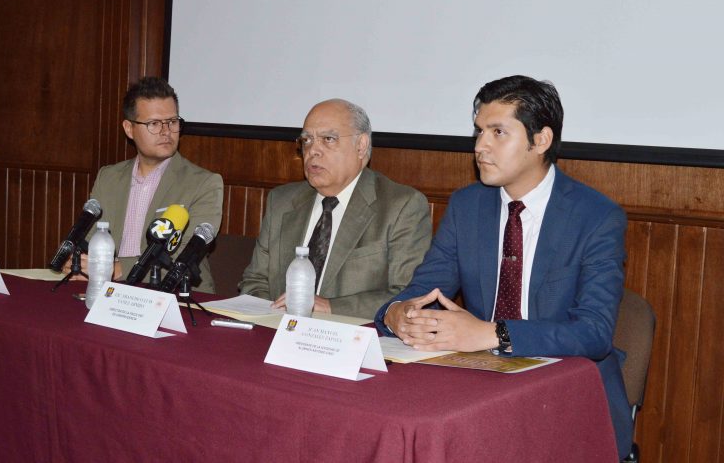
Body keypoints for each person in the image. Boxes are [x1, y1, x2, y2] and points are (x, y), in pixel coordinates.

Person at [375, 75, 633, 458]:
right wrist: (398, 313)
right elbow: (424, 290)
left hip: (566, 395)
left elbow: (594, 333)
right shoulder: (467, 206)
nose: (481, 147)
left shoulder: (595, 216)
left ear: (540, 141)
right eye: (479, 131)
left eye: (498, 132)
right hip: (479, 384)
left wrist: (493, 334)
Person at [239, 98, 431, 319]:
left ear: (361, 146)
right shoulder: (281, 201)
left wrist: (331, 308)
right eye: (307, 140)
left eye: (328, 139)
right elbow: (255, 281)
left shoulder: (401, 206)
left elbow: (408, 295)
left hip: (352, 340)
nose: (313, 151)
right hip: (280, 333)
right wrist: (274, 317)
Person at [63, 77, 223, 292]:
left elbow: (183, 255)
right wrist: (78, 262)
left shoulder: (203, 183)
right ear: (129, 129)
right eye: (154, 124)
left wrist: (116, 269)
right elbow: (91, 240)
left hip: (175, 295)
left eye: (172, 122)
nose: (166, 132)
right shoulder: (109, 177)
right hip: (109, 291)